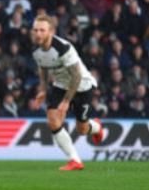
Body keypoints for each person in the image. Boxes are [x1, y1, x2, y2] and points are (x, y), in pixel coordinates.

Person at [31, 15, 104, 171]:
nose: (38, 34)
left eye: (42, 30)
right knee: (52, 119)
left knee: (82, 129)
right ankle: (75, 160)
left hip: (82, 86)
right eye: (36, 30)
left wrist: (66, 101)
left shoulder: (63, 48)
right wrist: (43, 90)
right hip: (61, 85)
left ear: (51, 31)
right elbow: (43, 67)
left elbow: (76, 76)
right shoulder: (36, 50)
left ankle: (97, 126)